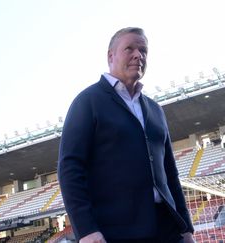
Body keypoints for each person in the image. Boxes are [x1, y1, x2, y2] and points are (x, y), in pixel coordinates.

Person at [57, 27, 195, 243]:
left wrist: (186, 227)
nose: (138, 55)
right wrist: (85, 230)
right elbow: (69, 167)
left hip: (168, 229)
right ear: (110, 56)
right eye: (129, 48)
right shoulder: (87, 102)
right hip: (117, 232)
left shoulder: (155, 110)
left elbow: (170, 174)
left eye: (143, 50)